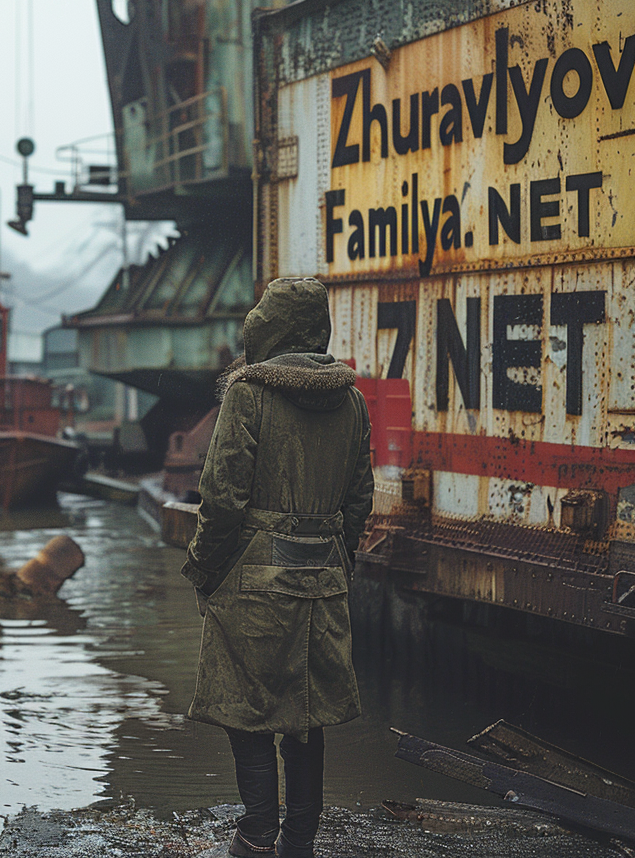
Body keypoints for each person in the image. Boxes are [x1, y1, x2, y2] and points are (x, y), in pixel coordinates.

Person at [181, 277, 374, 858]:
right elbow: (359, 499)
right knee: (306, 712)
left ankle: (256, 834)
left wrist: (203, 568)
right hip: (324, 575)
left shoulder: (249, 394)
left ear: (266, 325)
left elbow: (221, 499)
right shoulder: (352, 400)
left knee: (248, 707)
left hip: (253, 577)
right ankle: (299, 843)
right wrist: (343, 561)